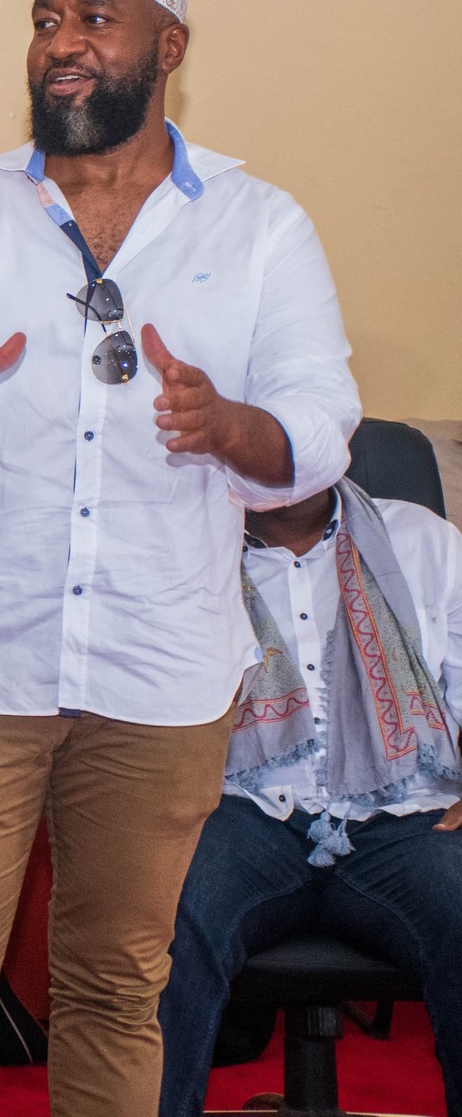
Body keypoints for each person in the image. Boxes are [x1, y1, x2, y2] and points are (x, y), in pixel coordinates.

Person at [0, 0, 361, 1116]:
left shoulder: (256, 224)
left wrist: (229, 428)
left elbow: (320, 424)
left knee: (121, 989)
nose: (57, 46)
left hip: (159, 675)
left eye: (90, 19)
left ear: (165, 45)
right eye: (41, 21)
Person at [159, 478, 462, 1116]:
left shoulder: (423, 540)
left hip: (408, 819)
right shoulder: (177, 550)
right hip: (240, 814)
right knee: (158, 925)